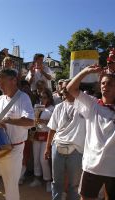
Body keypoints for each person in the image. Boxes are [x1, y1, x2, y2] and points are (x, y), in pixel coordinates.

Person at [0, 69, 35, 200]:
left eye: (2, 83)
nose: (0, 86)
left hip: (13, 150)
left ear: (14, 81)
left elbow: (30, 121)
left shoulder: (23, 98)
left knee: (11, 189)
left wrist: (8, 121)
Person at [67, 65, 115, 200]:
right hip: (92, 167)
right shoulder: (92, 104)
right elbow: (71, 88)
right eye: (103, 83)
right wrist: (86, 71)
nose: (105, 86)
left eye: (110, 83)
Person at [44, 80, 86, 200]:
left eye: (68, 88)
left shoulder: (85, 105)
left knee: (74, 185)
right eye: (63, 88)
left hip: (77, 151)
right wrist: (47, 148)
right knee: (56, 182)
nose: (65, 90)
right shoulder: (59, 107)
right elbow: (52, 129)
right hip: (57, 148)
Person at [29, 88, 54, 192]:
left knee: (43, 160)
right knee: (36, 159)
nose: (42, 99)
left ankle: (48, 181)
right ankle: (37, 178)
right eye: (41, 97)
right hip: (36, 135)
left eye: (44, 97)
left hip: (46, 136)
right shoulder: (37, 107)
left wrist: (43, 121)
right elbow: (32, 121)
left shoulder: (53, 108)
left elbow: (55, 123)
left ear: (49, 98)